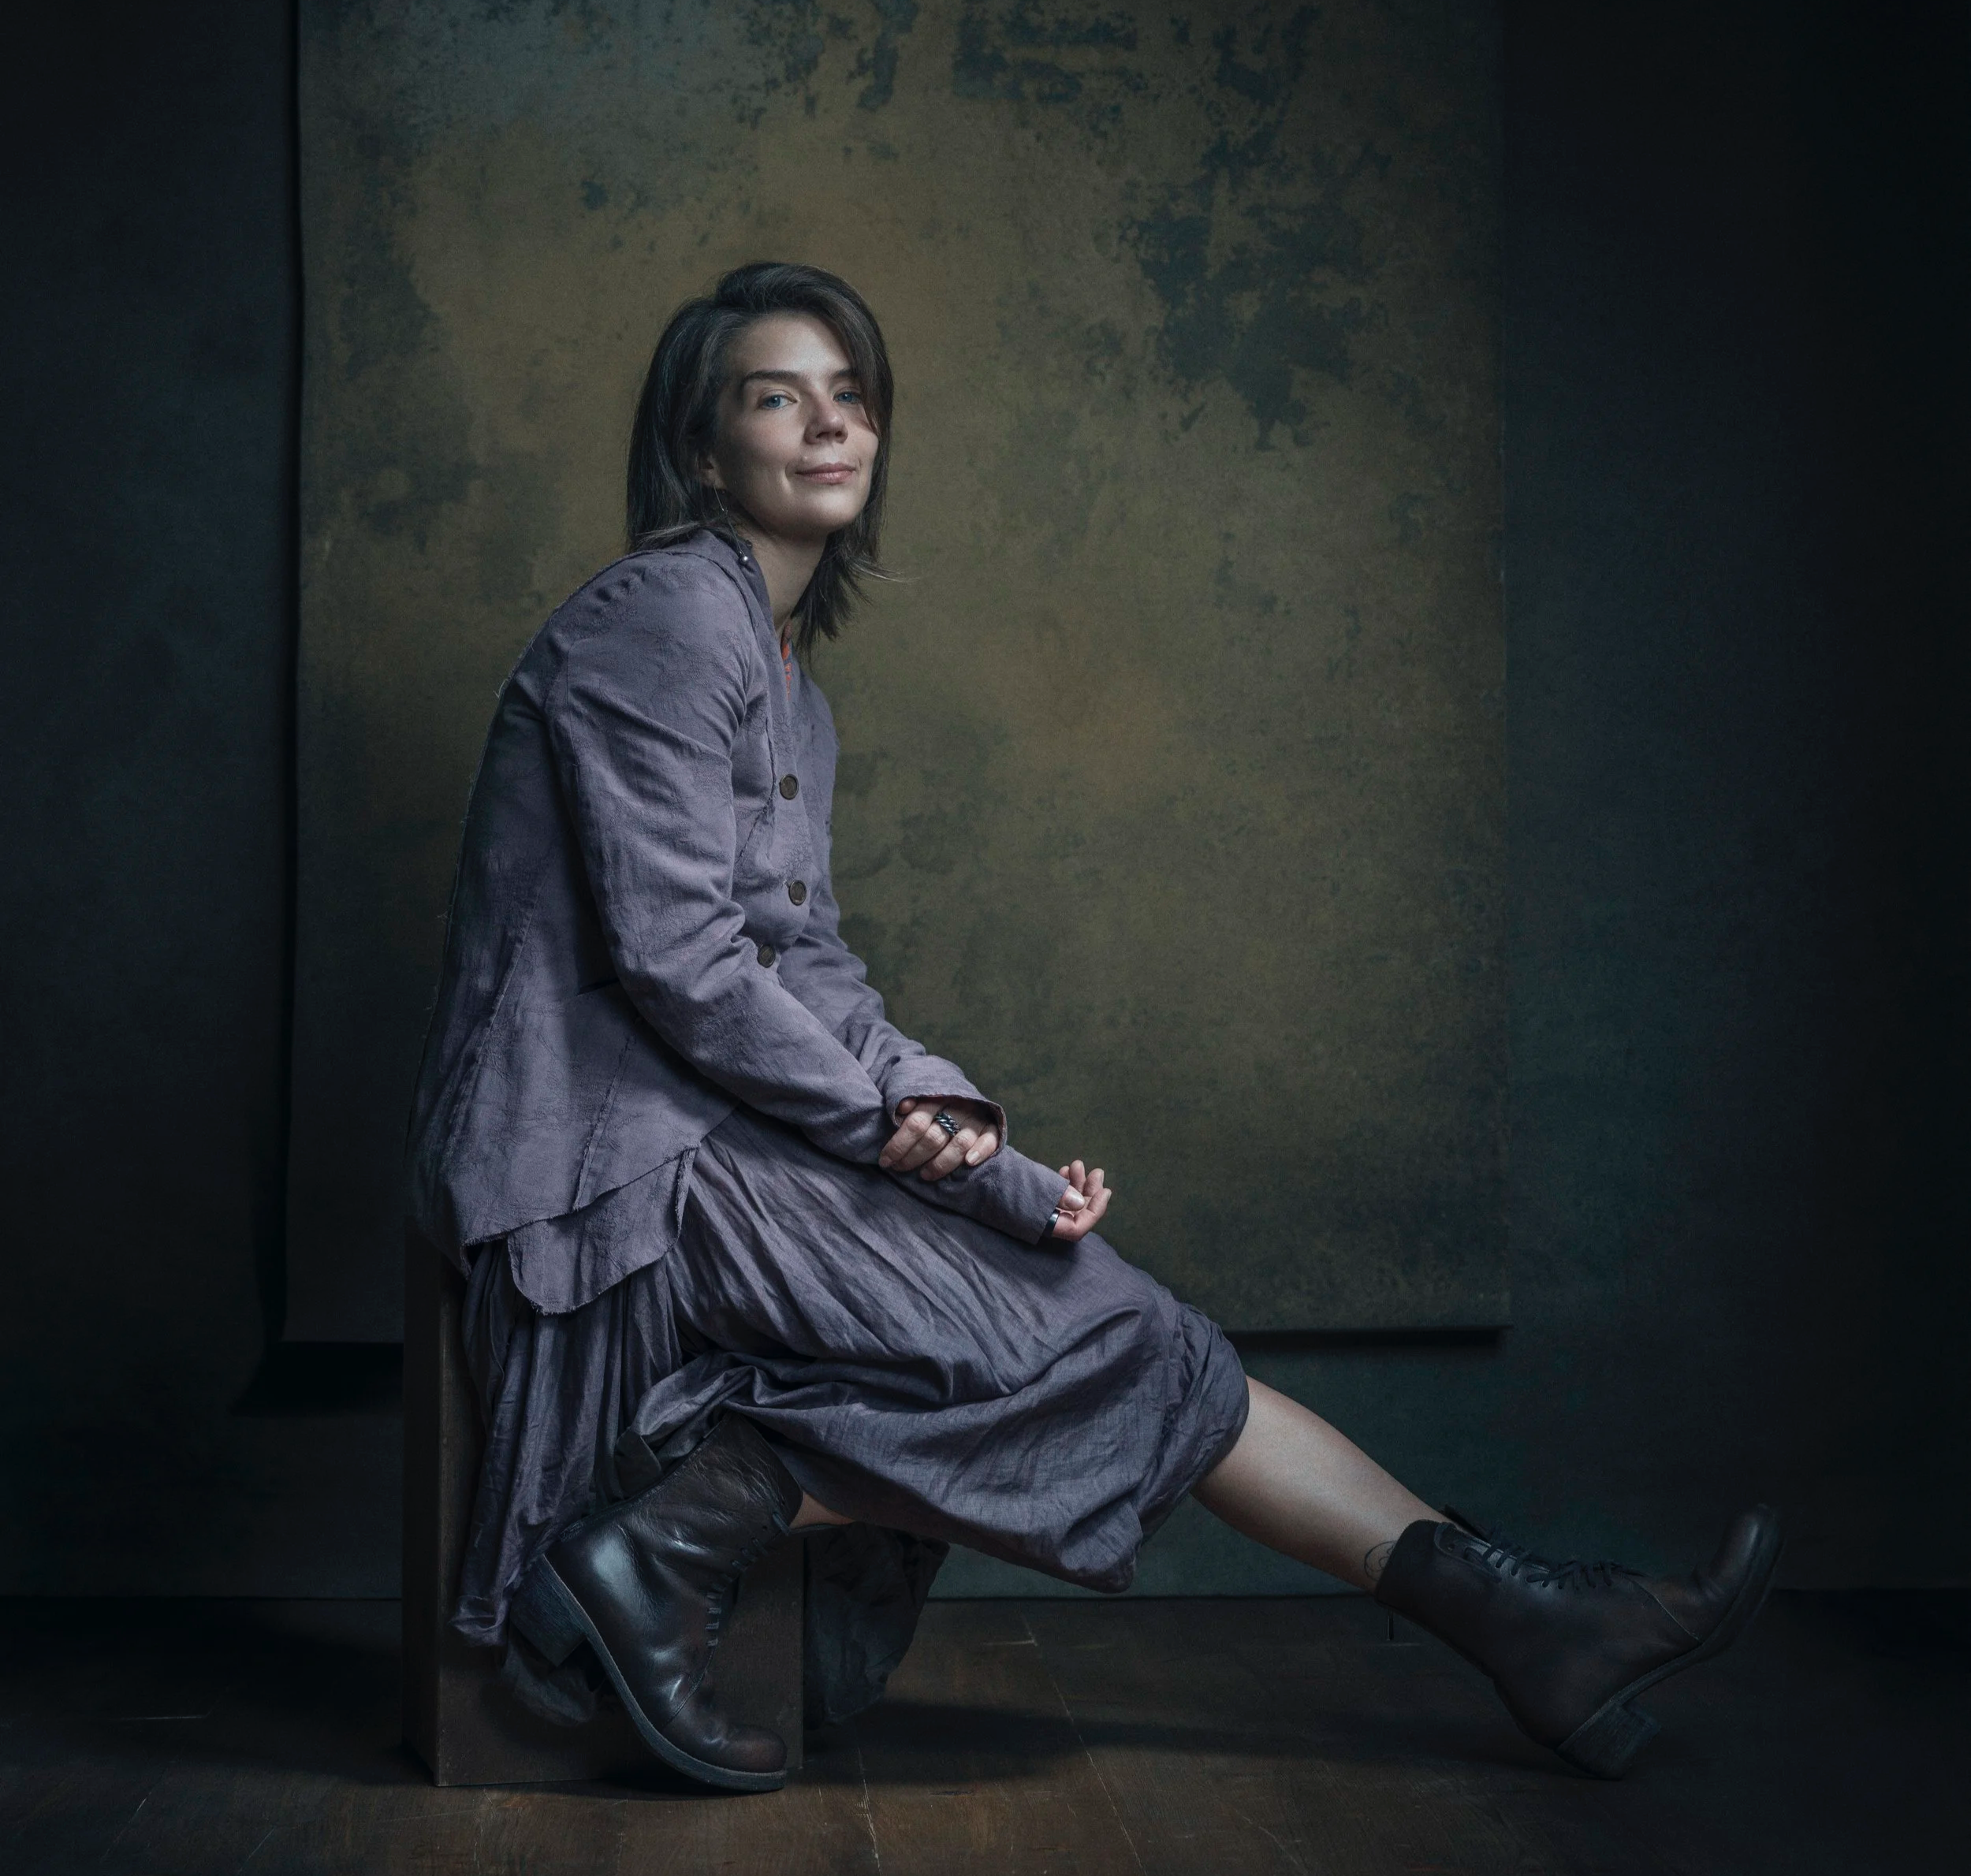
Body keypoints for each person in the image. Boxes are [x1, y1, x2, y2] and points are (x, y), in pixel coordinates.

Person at [408, 262, 1779, 1796]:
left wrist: (952, 1122)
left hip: (721, 1130)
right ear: (701, 448)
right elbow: (682, 964)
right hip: (611, 1163)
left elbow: (808, 965)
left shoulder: (791, 688)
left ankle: (1529, 1621)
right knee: (1099, 1333)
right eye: (776, 397)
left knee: (1122, 1322)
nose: (829, 425)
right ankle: (670, 1537)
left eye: (851, 395)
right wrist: (878, 1127)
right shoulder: (665, 615)